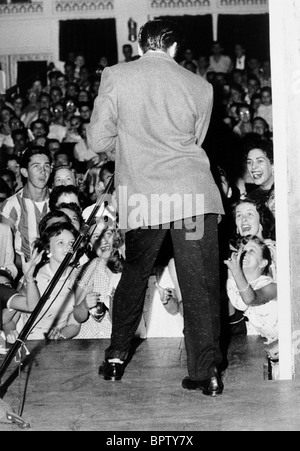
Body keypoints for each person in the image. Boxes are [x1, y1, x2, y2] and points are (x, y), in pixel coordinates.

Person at [88, 19, 225, 396]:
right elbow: (195, 140)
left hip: (144, 198)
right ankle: (207, 372)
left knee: (134, 275)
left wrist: (128, 151)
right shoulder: (201, 86)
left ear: (138, 43)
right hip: (193, 198)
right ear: (175, 48)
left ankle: (116, 357)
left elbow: (98, 137)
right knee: (200, 286)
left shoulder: (116, 75)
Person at [17, 222, 81, 340]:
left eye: (72, 243)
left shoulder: (79, 276)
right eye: (60, 243)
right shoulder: (34, 275)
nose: (69, 247)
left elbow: (74, 325)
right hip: (28, 342)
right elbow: (10, 318)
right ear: (48, 249)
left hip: (56, 344)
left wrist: (61, 334)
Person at [0, 145, 51, 273]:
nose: (43, 171)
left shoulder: (58, 201)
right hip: (24, 274)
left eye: (46, 165)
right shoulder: (11, 205)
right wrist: (30, 266)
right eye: (36, 166)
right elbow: (6, 251)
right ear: (24, 172)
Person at [225, 236, 278, 345]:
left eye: (251, 251)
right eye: (243, 250)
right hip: (270, 340)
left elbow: (250, 299)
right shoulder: (236, 284)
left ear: (263, 263)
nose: (244, 254)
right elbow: (240, 304)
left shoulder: (271, 286)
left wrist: (236, 272)